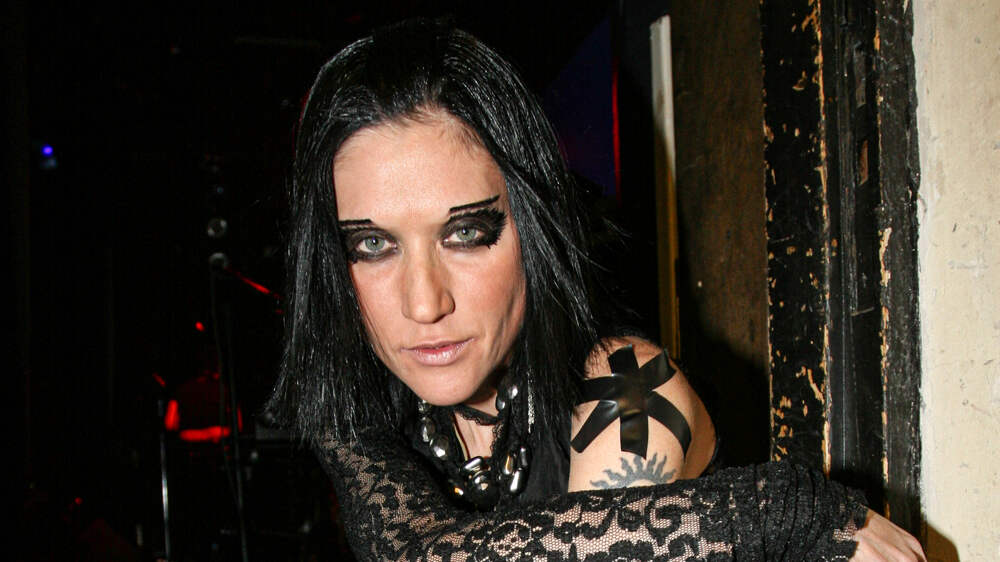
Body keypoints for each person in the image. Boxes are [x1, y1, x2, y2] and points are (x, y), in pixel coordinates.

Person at [267, 18, 925, 561]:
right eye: (372, 246)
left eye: (465, 233)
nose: (423, 303)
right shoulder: (357, 397)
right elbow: (413, 548)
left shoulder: (628, 396)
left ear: (533, 227)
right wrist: (785, 508)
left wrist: (789, 509)